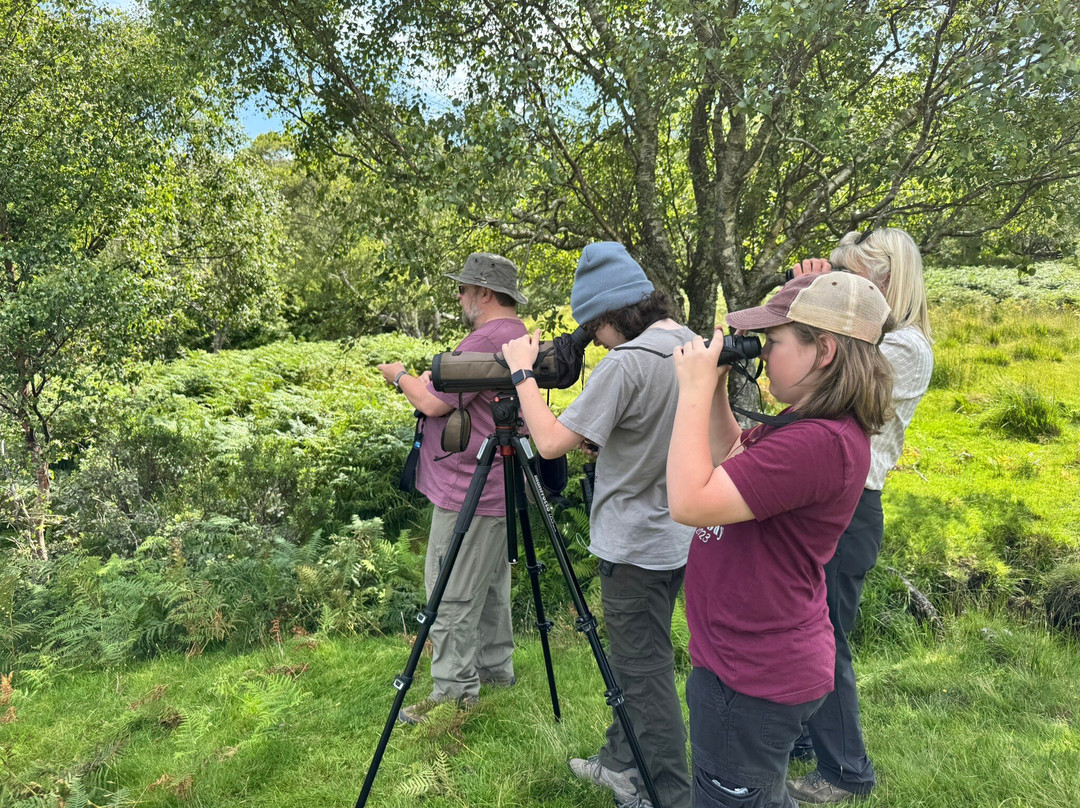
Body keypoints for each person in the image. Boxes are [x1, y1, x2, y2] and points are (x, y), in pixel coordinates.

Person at [665, 272, 895, 808]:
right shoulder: (803, 423)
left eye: (774, 343)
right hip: (749, 655)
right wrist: (718, 386)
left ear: (824, 351)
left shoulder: (820, 442)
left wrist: (692, 391)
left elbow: (689, 502)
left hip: (753, 675)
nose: (764, 355)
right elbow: (728, 457)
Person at [502, 242, 695, 808]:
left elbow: (551, 440)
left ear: (609, 315)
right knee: (639, 657)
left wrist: (521, 376)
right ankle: (618, 761)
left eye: (593, 328)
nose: (594, 340)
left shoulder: (628, 361)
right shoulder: (685, 342)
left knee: (645, 673)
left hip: (633, 543)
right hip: (677, 535)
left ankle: (668, 794)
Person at [785, 229, 934, 803]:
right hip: (830, 500)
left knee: (827, 639)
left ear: (890, 281)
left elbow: (825, 385)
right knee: (808, 628)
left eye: (856, 280)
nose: (849, 293)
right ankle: (803, 739)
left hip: (853, 506)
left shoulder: (906, 349)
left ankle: (846, 771)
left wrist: (814, 298)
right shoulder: (880, 341)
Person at [376, 252, 528, 723]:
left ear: (484, 292)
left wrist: (398, 374)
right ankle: (495, 671)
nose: (459, 296)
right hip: (500, 486)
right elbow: (454, 392)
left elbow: (432, 403)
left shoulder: (488, 338)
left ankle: (453, 695)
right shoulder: (517, 336)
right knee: (489, 585)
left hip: (471, 490)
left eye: (463, 288)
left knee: (450, 591)